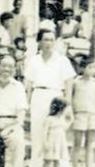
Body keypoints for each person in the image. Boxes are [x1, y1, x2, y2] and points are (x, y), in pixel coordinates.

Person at [24, 29, 76, 167]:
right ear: (39, 42)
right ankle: (36, 163)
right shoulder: (34, 60)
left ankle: (60, 163)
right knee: (37, 131)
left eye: (52, 40)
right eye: (46, 39)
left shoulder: (62, 60)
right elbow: (28, 84)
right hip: (38, 95)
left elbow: (69, 83)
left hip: (56, 97)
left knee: (56, 132)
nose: (49, 43)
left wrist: (68, 104)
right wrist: (27, 104)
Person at [71, 57, 95, 167]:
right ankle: (75, 164)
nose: (93, 70)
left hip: (93, 114)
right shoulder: (76, 82)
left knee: (90, 143)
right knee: (77, 142)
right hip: (79, 113)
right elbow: (71, 97)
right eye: (90, 67)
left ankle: (89, 164)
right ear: (82, 68)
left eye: (94, 67)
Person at [42, 98, 72, 167]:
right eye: (65, 109)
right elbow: (45, 132)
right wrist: (45, 142)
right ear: (60, 109)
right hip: (51, 142)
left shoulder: (62, 119)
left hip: (59, 143)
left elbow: (64, 128)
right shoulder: (49, 119)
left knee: (58, 161)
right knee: (48, 161)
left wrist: (70, 121)